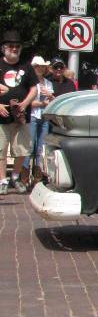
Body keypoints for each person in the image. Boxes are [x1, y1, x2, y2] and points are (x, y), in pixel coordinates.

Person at [0, 30, 38, 194]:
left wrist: (25, 103)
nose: (14, 48)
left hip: (22, 115)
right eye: (11, 46)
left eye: (17, 46)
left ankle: (15, 177)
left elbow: (34, 88)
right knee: (1, 149)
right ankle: (2, 180)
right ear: (4, 48)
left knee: (22, 149)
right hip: (2, 115)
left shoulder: (26, 66)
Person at [23, 56, 54, 183]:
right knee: (29, 147)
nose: (40, 68)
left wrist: (50, 96)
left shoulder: (48, 83)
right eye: (37, 66)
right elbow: (27, 103)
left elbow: (52, 101)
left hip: (44, 117)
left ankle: (37, 178)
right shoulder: (29, 83)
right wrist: (42, 103)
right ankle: (24, 178)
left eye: (42, 66)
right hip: (32, 116)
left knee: (41, 148)